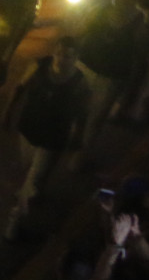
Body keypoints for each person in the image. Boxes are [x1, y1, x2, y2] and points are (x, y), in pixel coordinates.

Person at [6, 35, 94, 238]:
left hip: (53, 138)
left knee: (34, 180)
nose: (62, 59)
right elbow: (20, 87)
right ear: (55, 51)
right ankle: (28, 196)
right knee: (27, 168)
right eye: (60, 53)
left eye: (68, 56)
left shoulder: (80, 83)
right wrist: (8, 111)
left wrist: (77, 137)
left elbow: (82, 114)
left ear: (75, 59)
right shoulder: (38, 66)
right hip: (29, 129)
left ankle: (14, 222)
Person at [80, 0, 147, 146]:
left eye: (127, 2)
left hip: (111, 78)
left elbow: (139, 58)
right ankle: (66, 143)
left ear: (134, 2)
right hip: (86, 67)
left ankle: (78, 159)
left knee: (96, 119)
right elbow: (80, 32)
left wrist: (128, 90)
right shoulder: (98, 11)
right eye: (119, 1)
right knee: (75, 109)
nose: (122, 6)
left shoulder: (139, 24)